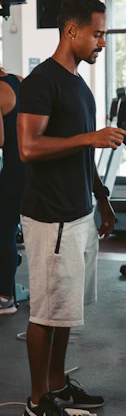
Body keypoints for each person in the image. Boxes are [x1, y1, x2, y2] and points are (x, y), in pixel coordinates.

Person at [17, 0, 126, 416]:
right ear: (72, 30)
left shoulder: (78, 85)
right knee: (46, 311)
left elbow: (85, 151)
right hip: (51, 217)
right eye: (97, 34)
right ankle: (36, 399)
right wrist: (90, 138)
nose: (102, 42)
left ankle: (58, 384)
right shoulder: (41, 81)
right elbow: (28, 147)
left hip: (79, 210)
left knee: (66, 310)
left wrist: (101, 198)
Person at [0, 66, 25, 314]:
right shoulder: (18, 80)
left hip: (15, 167)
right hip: (34, 163)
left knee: (4, 229)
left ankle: (4, 297)